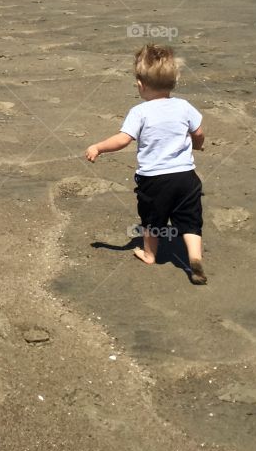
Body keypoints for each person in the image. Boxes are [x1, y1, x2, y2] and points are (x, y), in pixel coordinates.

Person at [85, 44, 207, 284]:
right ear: (175, 80)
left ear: (140, 84)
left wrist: (98, 147)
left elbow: (123, 140)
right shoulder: (184, 106)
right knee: (190, 220)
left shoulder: (140, 112)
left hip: (154, 179)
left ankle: (150, 254)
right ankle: (195, 259)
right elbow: (199, 132)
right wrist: (197, 144)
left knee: (153, 219)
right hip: (186, 178)